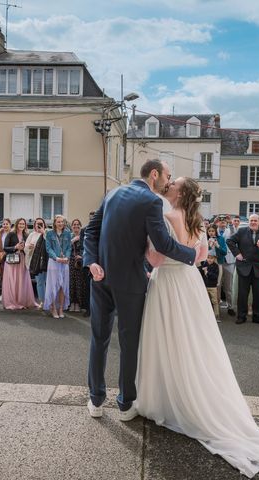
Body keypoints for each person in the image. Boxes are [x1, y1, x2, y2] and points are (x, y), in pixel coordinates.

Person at [135, 176, 259, 479]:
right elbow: (201, 256)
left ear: (180, 192)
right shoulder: (197, 221)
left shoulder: (167, 215)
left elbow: (158, 259)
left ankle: (167, 397)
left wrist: (144, 248)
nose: (169, 186)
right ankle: (186, 393)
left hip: (168, 284)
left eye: (173, 184)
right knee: (192, 342)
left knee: (167, 339)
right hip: (190, 284)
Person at [84, 159, 197, 421]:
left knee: (98, 339)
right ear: (154, 174)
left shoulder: (112, 193)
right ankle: (125, 404)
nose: (168, 182)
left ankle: (96, 400)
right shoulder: (152, 201)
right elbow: (163, 243)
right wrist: (191, 255)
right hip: (132, 283)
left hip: (100, 279)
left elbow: (91, 231)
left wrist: (92, 262)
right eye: (167, 176)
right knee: (129, 343)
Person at [227, 214, 259, 325]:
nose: (253, 222)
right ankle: (241, 316)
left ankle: (257, 316)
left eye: (255, 220)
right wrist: (237, 254)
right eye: (251, 220)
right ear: (249, 221)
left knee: (258, 293)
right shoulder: (241, 231)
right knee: (243, 293)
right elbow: (229, 241)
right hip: (244, 266)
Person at [1, 218, 37, 310]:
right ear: (16, 224)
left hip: (22, 260)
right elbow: (5, 248)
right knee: (12, 281)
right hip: (12, 260)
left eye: (23, 224)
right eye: (20, 224)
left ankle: (22, 301)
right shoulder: (11, 234)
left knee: (21, 281)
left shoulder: (26, 235)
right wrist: (15, 247)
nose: (21, 225)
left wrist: (29, 247)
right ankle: (12, 302)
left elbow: (28, 247)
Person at [44, 215, 72, 319]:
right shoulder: (50, 233)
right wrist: (56, 258)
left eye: (62, 222)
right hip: (54, 262)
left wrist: (67, 257)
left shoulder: (67, 233)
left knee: (62, 286)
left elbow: (69, 247)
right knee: (53, 285)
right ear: (55, 223)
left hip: (64, 262)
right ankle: (53, 308)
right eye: (59, 222)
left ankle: (60, 308)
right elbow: (48, 248)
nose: (61, 224)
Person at [216, 215, 236, 316]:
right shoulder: (214, 231)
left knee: (228, 286)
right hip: (217, 261)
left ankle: (230, 306)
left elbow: (235, 234)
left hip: (229, 261)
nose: (222, 223)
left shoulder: (230, 231)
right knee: (217, 285)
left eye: (224, 221)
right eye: (220, 221)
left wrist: (231, 223)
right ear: (217, 223)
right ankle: (216, 306)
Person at [68, 219, 85, 312]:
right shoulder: (69, 236)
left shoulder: (84, 236)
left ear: (80, 226)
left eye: (78, 224)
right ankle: (72, 303)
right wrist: (73, 240)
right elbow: (64, 247)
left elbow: (87, 248)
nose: (76, 226)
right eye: (74, 224)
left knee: (79, 283)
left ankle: (78, 304)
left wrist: (81, 256)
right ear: (72, 226)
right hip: (70, 261)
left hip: (80, 261)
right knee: (71, 283)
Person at [199, 254, 221, 320]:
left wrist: (207, 272)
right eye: (208, 258)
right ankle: (207, 315)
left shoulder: (216, 266)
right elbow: (200, 274)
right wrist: (201, 270)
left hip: (213, 287)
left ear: (214, 259)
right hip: (205, 286)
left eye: (211, 258)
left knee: (214, 301)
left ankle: (216, 315)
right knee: (206, 301)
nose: (209, 259)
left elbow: (215, 276)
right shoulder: (205, 264)